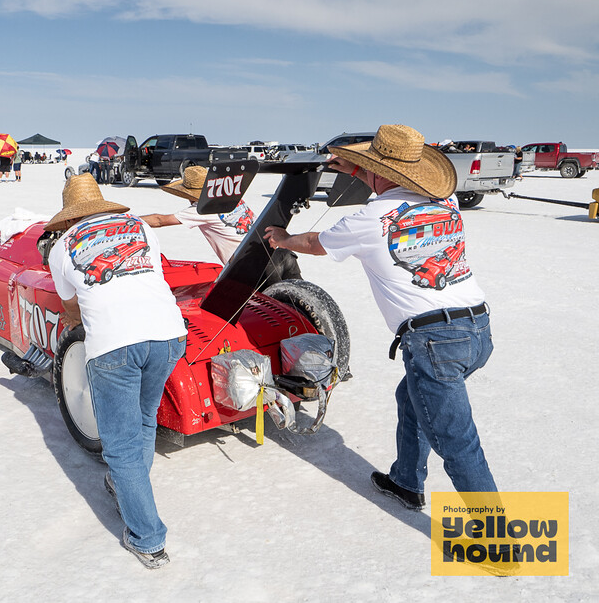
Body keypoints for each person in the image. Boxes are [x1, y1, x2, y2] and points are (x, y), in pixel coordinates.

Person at [264, 124, 498, 509]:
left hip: (434, 340)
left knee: (457, 442)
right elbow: (389, 185)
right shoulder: (446, 199)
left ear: (379, 171)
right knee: (410, 396)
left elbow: (314, 243)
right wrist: (358, 169)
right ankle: (406, 481)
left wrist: (282, 238)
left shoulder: (371, 218)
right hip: (477, 329)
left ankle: (498, 539)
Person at [45, 173, 187, 569]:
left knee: (121, 446)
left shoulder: (62, 248)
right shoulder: (138, 226)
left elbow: (72, 309)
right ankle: (125, 487)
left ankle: (147, 539)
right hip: (169, 335)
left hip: (114, 344)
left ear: (68, 216)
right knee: (143, 423)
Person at [141, 165, 301, 283]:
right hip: (281, 256)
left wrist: (128, 218)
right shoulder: (232, 198)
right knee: (305, 306)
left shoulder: (201, 210)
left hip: (254, 268)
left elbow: (160, 220)